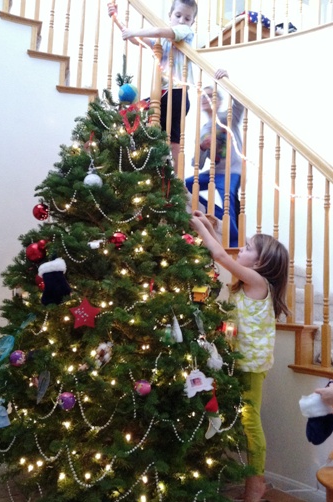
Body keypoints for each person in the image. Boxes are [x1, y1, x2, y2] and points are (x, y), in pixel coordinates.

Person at [190, 210, 290, 502]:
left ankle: (256, 484)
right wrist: (210, 228)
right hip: (237, 363)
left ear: (259, 263)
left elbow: (221, 256)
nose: (241, 250)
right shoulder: (248, 282)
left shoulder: (258, 282)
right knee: (238, 417)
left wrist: (199, 228)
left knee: (250, 421)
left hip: (250, 366)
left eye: (246, 248)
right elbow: (224, 256)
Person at [108, 0, 198, 171]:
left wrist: (133, 31)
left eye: (187, 18)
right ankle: (138, 164)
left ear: (191, 22)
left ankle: (179, 182)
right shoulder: (162, 41)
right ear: (170, 16)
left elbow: (157, 30)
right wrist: (116, 18)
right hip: (161, 93)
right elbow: (136, 39)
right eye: (178, 15)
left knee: (173, 140)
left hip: (177, 94)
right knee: (132, 116)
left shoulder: (185, 32)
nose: (181, 20)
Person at [185, 69, 244, 247]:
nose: (206, 99)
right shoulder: (204, 129)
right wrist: (203, 147)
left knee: (228, 199)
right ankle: (217, 213)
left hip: (231, 171)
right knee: (187, 185)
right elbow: (197, 163)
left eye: (211, 96)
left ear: (218, 102)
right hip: (214, 172)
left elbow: (240, 104)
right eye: (204, 97)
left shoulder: (228, 118)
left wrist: (226, 79)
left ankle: (233, 241)